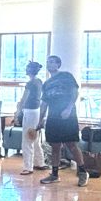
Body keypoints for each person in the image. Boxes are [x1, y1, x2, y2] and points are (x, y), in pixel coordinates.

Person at [38, 55, 87, 186]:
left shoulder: (66, 76)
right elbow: (44, 104)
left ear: (58, 64)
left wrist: (69, 108)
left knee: (71, 144)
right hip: (53, 117)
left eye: (52, 62)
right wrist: (40, 120)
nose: (49, 64)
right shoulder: (46, 84)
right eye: (48, 62)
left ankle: (83, 172)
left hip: (67, 115)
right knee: (55, 146)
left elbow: (75, 92)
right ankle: (54, 175)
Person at [17, 61, 47, 175]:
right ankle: (40, 162)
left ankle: (28, 167)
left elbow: (24, 99)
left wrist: (18, 111)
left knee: (27, 138)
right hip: (37, 111)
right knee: (35, 137)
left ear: (30, 70)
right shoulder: (39, 81)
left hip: (30, 111)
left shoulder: (30, 83)